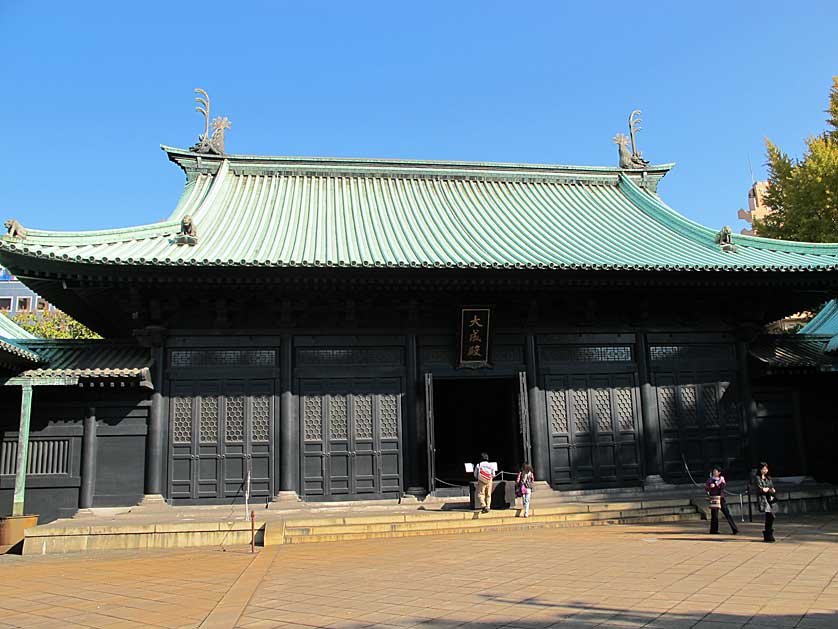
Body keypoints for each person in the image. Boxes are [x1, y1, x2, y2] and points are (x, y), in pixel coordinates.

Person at [705, 466, 738, 535]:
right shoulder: (710, 480)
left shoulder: (722, 479)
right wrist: (710, 486)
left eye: (716, 471)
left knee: (726, 513)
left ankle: (734, 528)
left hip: (721, 498)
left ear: (719, 472)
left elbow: (723, 486)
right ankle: (713, 530)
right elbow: (706, 488)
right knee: (714, 515)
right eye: (713, 471)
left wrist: (717, 484)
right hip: (714, 498)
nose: (714, 472)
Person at [754, 461, 777, 543]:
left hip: (770, 498)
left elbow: (772, 488)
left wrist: (768, 489)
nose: (765, 470)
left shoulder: (768, 478)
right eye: (763, 469)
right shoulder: (757, 478)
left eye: (766, 469)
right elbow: (761, 489)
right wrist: (767, 489)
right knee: (770, 515)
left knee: (770, 516)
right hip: (763, 499)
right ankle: (768, 534)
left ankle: (768, 534)